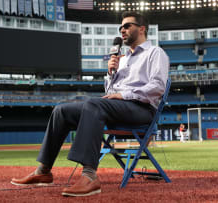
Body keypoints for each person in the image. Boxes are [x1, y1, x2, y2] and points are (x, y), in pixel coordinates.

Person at [10, 11, 169, 197]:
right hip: (118, 107)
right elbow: (110, 94)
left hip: (142, 109)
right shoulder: (122, 59)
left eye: (127, 26)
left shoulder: (155, 53)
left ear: (142, 29)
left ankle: (89, 175)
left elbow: (157, 87)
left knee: (94, 104)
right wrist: (111, 73)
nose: (122, 30)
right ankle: (43, 172)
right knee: (62, 111)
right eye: (121, 27)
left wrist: (124, 94)